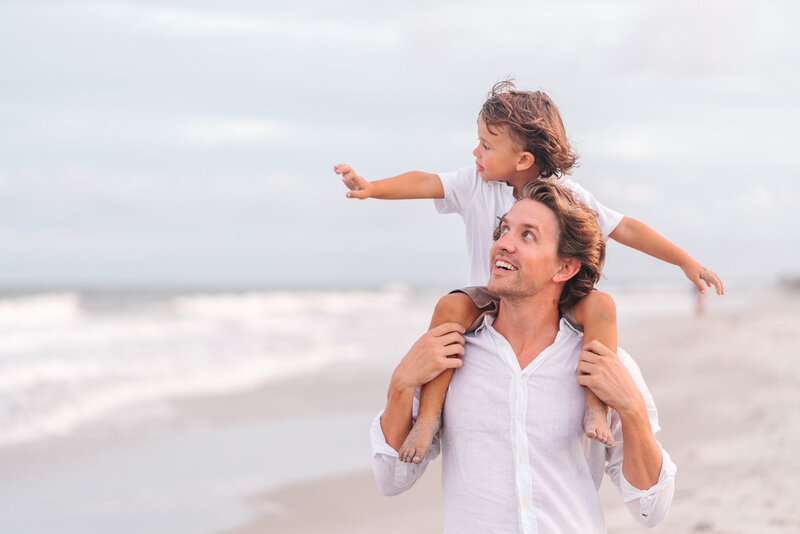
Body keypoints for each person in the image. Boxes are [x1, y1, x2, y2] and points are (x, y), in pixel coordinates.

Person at [336, 80, 723, 464]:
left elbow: (625, 228)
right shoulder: (475, 183)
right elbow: (425, 180)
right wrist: (372, 188)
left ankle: (595, 407)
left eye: (486, 145)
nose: (476, 152)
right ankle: (430, 417)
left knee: (602, 307)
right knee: (448, 309)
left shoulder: (566, 195)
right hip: (490, 298)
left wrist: (685, 262)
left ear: (523, 160)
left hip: (555, 297)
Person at [371, 180, 676, 532]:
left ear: (565, 268)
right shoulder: (448, 354)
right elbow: (391, 479)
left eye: (527, 235)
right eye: (503, 230)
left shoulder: (603, 361)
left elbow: (650, 509)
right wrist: (400, 384)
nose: (503, 244)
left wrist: (632, 409)